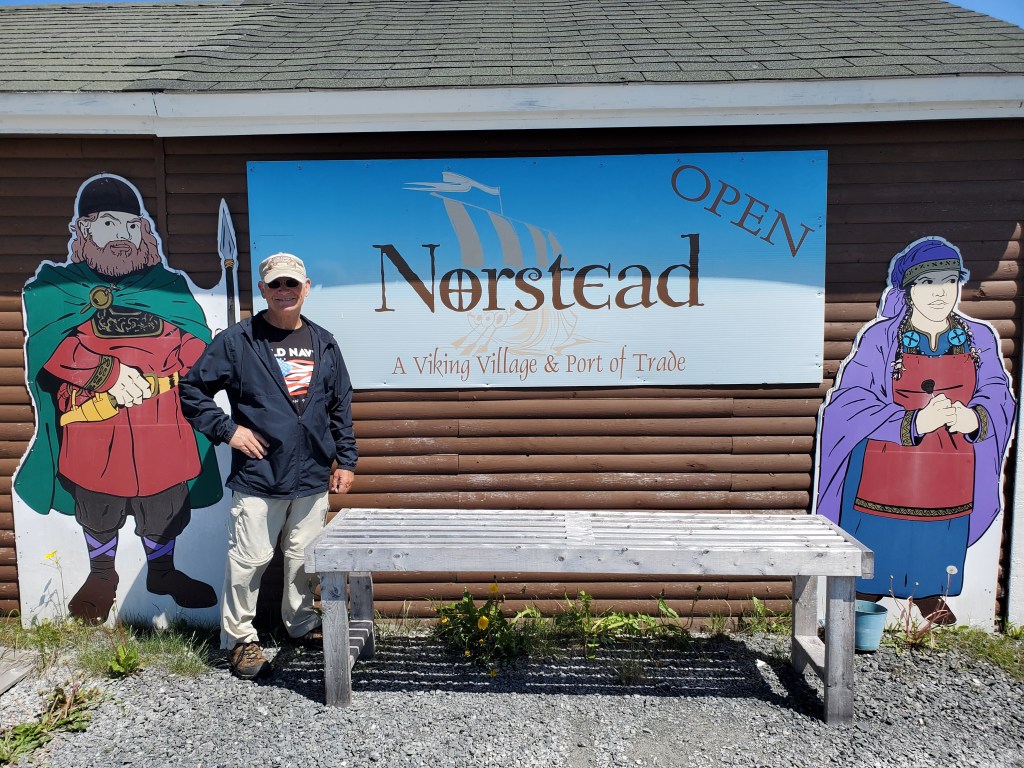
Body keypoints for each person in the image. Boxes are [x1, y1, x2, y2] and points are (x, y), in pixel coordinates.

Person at [16, 173, 222, 623]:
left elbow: (193, 341)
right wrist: (105, 372)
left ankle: (162, 572)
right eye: (108, 224)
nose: (122, 235)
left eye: (131, 225)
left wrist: (193, 355)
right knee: (98, 503)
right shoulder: (58, 287)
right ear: (85, 230)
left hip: (162, 423)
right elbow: (49, 346)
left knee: (164, 503)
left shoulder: (166, 287)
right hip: (95, 423)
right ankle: (102, 574)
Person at [814, 236, 1014, 623]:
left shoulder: (979, 338)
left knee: (938, 533)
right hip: (889, 456)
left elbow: (997, 392)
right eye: (927, 282)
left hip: (951, 458)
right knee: (881, 531)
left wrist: (974, 417)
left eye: (949, 281)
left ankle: (929, 592)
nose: (940, 292)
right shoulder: (881, 337)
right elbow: (852, 399)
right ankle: (866, 594)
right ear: (909, 289)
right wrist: (914, 421)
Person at [179, 252, 357, 679]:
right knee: (250, 560)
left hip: (312, 474)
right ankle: (240, 640)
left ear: (306, 288)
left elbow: (339, 406)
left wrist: (346, 460)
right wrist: (228, 431)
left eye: (291, 283)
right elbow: (191, 390)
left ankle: (301, 624)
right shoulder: (238, 341)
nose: (284, 291)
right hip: (259, 475)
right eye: (275, 284)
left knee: (303, 558)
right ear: (262, 289)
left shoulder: (324, 342)